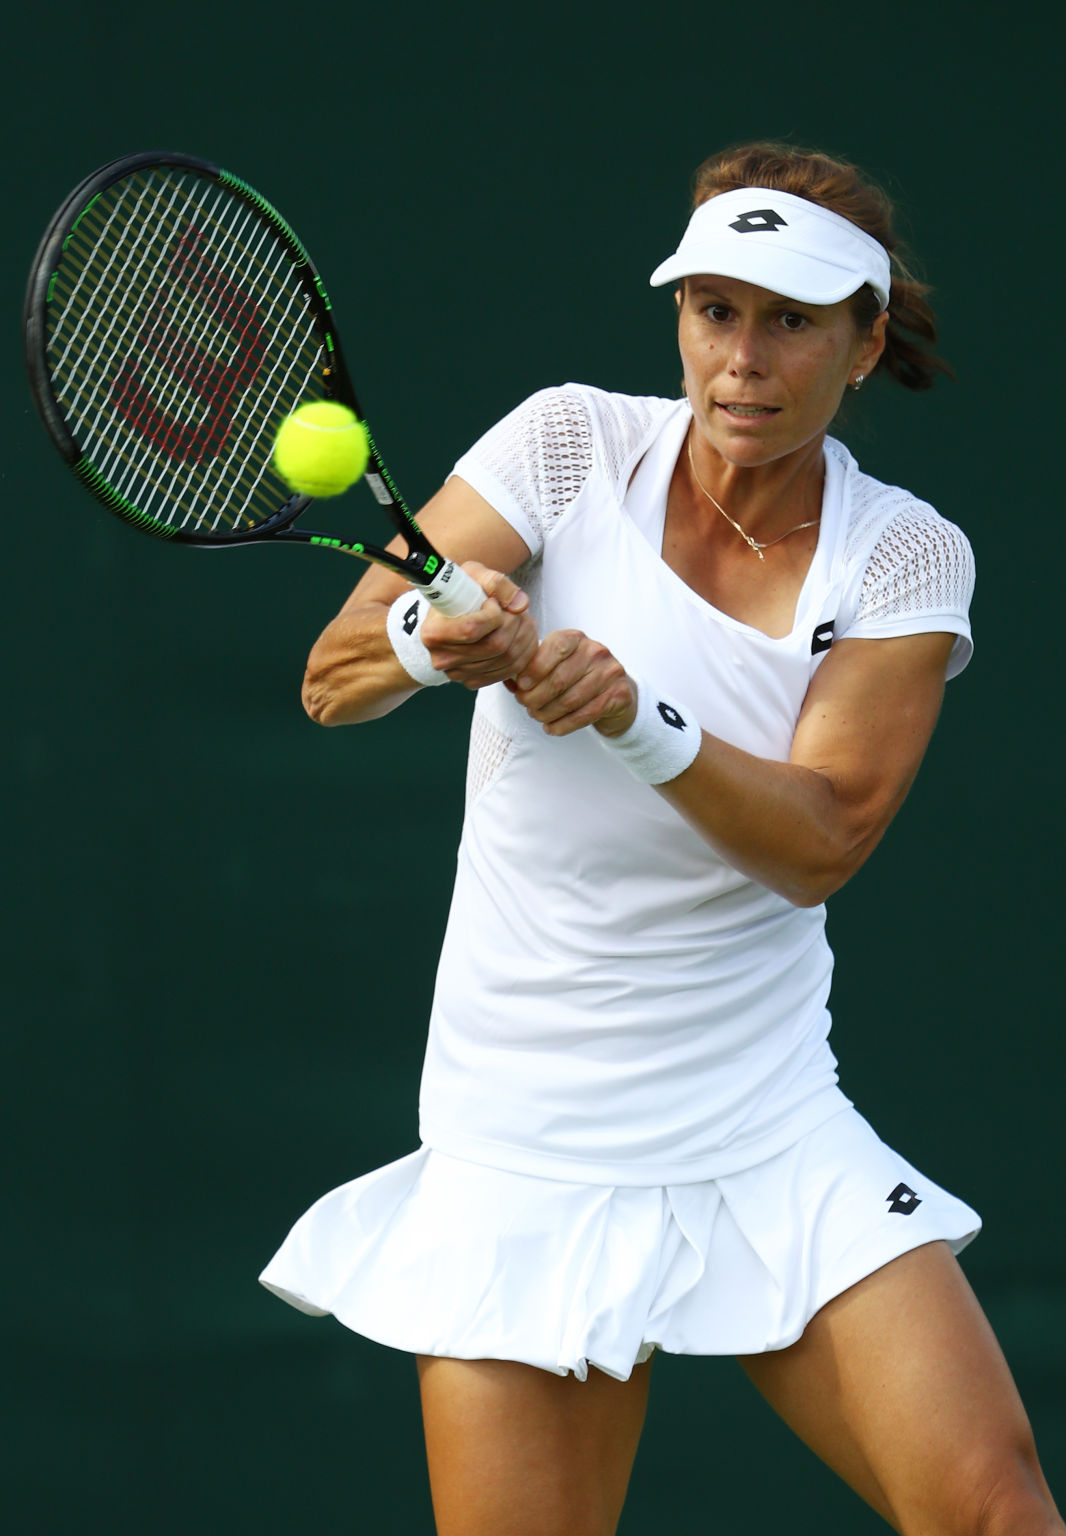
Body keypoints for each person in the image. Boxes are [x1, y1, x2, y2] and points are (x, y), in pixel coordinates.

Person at [260, 142, 1063, 1535]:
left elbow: (822, 837)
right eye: (713, 311)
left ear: (864, 347)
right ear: (679, 318)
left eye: (790, 321)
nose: (741, 359)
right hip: (527, 1139)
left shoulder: (902, 556)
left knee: (995, 1511)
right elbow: (334, 677)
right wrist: (432, 636)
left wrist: (643, 721)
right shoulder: (564, 444)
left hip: (762, 1125)